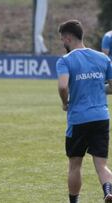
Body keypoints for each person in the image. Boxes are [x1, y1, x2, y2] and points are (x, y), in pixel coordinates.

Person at [56, 19, 112, 203]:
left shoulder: (65, 61)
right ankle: (108, 191)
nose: (63, 43)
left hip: (78, 119)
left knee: (75, 165)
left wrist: (65, 103)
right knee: (101, 165)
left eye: (63, 39)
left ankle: (74, 202)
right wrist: (95, 87)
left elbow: (63, 87)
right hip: (101, 117)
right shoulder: (103, 58)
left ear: (68, 38)